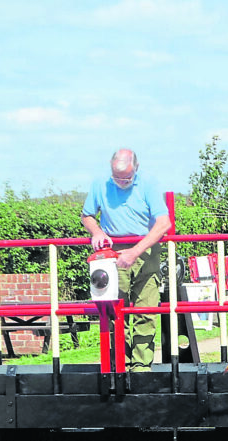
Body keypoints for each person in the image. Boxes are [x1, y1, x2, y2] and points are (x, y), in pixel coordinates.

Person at [81, 148, 171, 369]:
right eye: (117, 178)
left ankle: (141, 365)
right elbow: (87, 215)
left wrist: (135, 251)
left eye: (127, 178)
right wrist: (97, 232)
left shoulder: (149, 184)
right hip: (113, 252)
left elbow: (164, 223)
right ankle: (120, 362)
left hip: (146, 248)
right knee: (114, 310)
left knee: (146, 309)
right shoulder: (100, 184)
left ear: (136, 168)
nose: (121, 182)